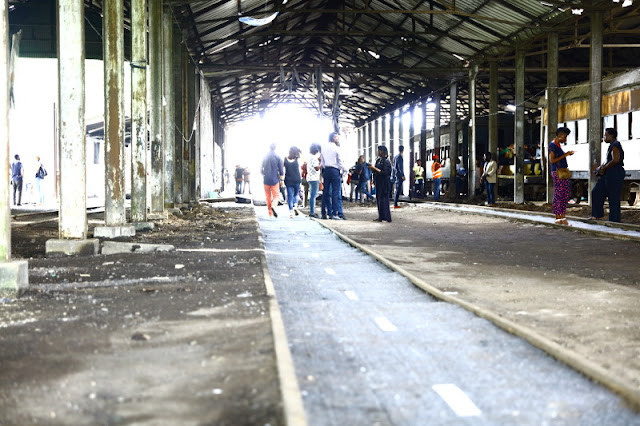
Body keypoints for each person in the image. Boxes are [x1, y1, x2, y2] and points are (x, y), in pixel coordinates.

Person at [591, 127, 625, 222]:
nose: (604, 138)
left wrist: (604, 168)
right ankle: (598, 215)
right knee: (596, 192)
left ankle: (614, 221)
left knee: (613, 197)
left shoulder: (615, 145)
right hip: (607, 174)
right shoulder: (612, 145)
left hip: (614, 173)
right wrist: (602, 167)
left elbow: (616, 160)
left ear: (611, 136)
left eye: (606, 136)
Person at [548, 127, 575, 225]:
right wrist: (565, 155)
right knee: (559, 194)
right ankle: (558, 217)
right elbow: (552, 160)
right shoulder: (552, 145)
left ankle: (562, 216)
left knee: (564, 194)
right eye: (565, 137)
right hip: (557, 172)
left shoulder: (557, 145)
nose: (565, 139)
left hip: (562, 171)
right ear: (560, 135)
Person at [321, 131, 347, 220]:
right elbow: (340, 161)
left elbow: (322, 162)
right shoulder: (336, 148)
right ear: (333, 138)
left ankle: (324, 213)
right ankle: (335, 213)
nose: (338, 139)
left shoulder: (323, 148)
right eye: (337, 137)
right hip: (335, 171)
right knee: (335, 193)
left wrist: (325, 167)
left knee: (326, 192)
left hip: (326, 170)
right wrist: (344, 169)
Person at [368, 146, 392, 222]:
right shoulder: (378, 160)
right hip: (378, 183)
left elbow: (385, 173)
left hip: (384, 183)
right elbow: (376, 170)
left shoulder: (386, 162)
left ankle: (387, 217)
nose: (377, 152)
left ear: (382, 152)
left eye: (379, 151)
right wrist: (372, 169)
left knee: (384, 200)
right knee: (379, 200)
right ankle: (381, 216)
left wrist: (375, 169)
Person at [261, 143, 284, 218]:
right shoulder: (278, 157)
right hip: (275, 179)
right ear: (275, 148)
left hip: (266, 179)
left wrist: (265, 174)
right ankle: (274, 206)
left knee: (268, 196)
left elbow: (261, 170)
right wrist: (281, 180)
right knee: (276, 195)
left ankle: (270, 213)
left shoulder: (265, 157)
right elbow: (281, 170)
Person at [284, 146, 302, 218]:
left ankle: (291, 212)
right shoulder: (297, 159)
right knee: (296, 194)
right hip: (297, 179)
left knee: (290, 196)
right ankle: (295, 205)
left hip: (288, 179)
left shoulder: (285, 159)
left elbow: (282, 169)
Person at [307, 144, 322, 218]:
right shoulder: (314, 158)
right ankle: (312, 211)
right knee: (313, 195)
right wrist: (321, 163)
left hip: (310, 177)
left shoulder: (310, 157)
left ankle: (312, 210)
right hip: (314, 178)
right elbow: (316, 168)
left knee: (312, 195)